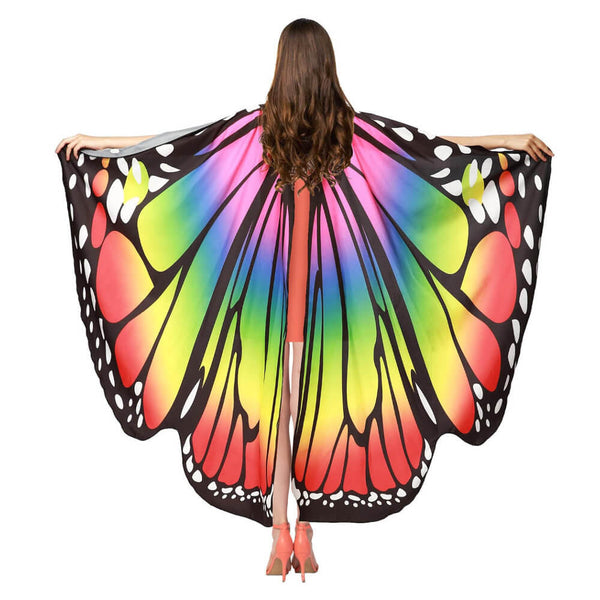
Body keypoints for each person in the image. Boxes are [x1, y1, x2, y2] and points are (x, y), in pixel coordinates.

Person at [55, 17, 553, 582]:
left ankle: (279, 532)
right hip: (337, 306)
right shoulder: (353, 135)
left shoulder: (257, 131)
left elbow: (176, 151)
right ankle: (309, 528)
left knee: (279, 412)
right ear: (326, 68)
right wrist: (506, 145)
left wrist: (101, 148)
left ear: (283, 67)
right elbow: (435, 154)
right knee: (323, 408)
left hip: (264, 304)